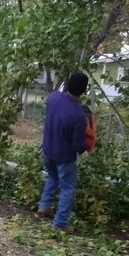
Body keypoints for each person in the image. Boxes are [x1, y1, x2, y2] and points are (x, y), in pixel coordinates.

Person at [37, 71, 95, 231]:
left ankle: (44, 205)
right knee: (68, 189)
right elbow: (78, 145)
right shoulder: (78, 115)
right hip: (64, 157)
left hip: (48, 150)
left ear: (68, 84)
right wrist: (88, 146)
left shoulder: (53, 97)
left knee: (52, 177)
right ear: (83, 91)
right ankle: (60, 224)